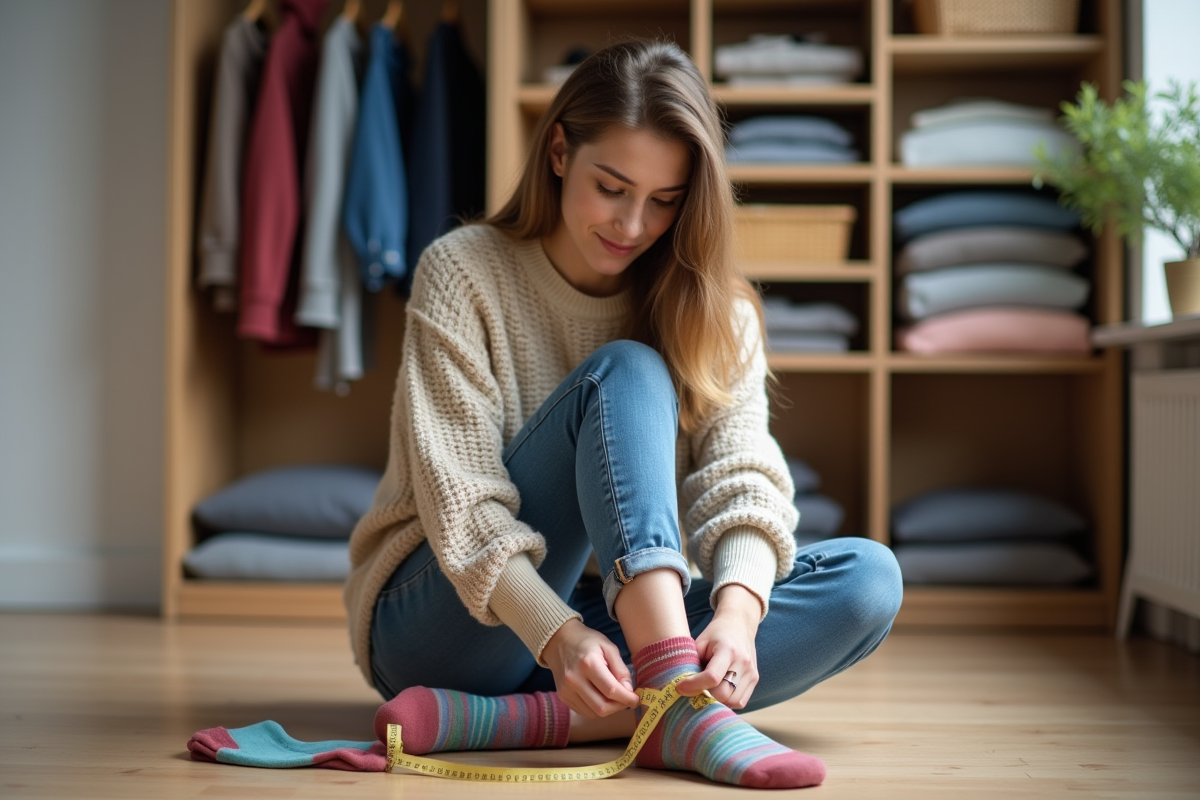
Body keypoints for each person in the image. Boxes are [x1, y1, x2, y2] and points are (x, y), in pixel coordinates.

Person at [344, 38, 902, 790]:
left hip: (616, 630)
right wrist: (558, 636)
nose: (634, 225)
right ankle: (675, 703)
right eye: (612, 187)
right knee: (630, 373)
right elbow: (464, 511)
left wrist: (736, 619)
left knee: (868, 581)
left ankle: (529, 720)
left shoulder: (716, 307)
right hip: (454, 619)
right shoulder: (463, 270)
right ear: (560, 152)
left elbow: (745, 481)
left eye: (665, 201)